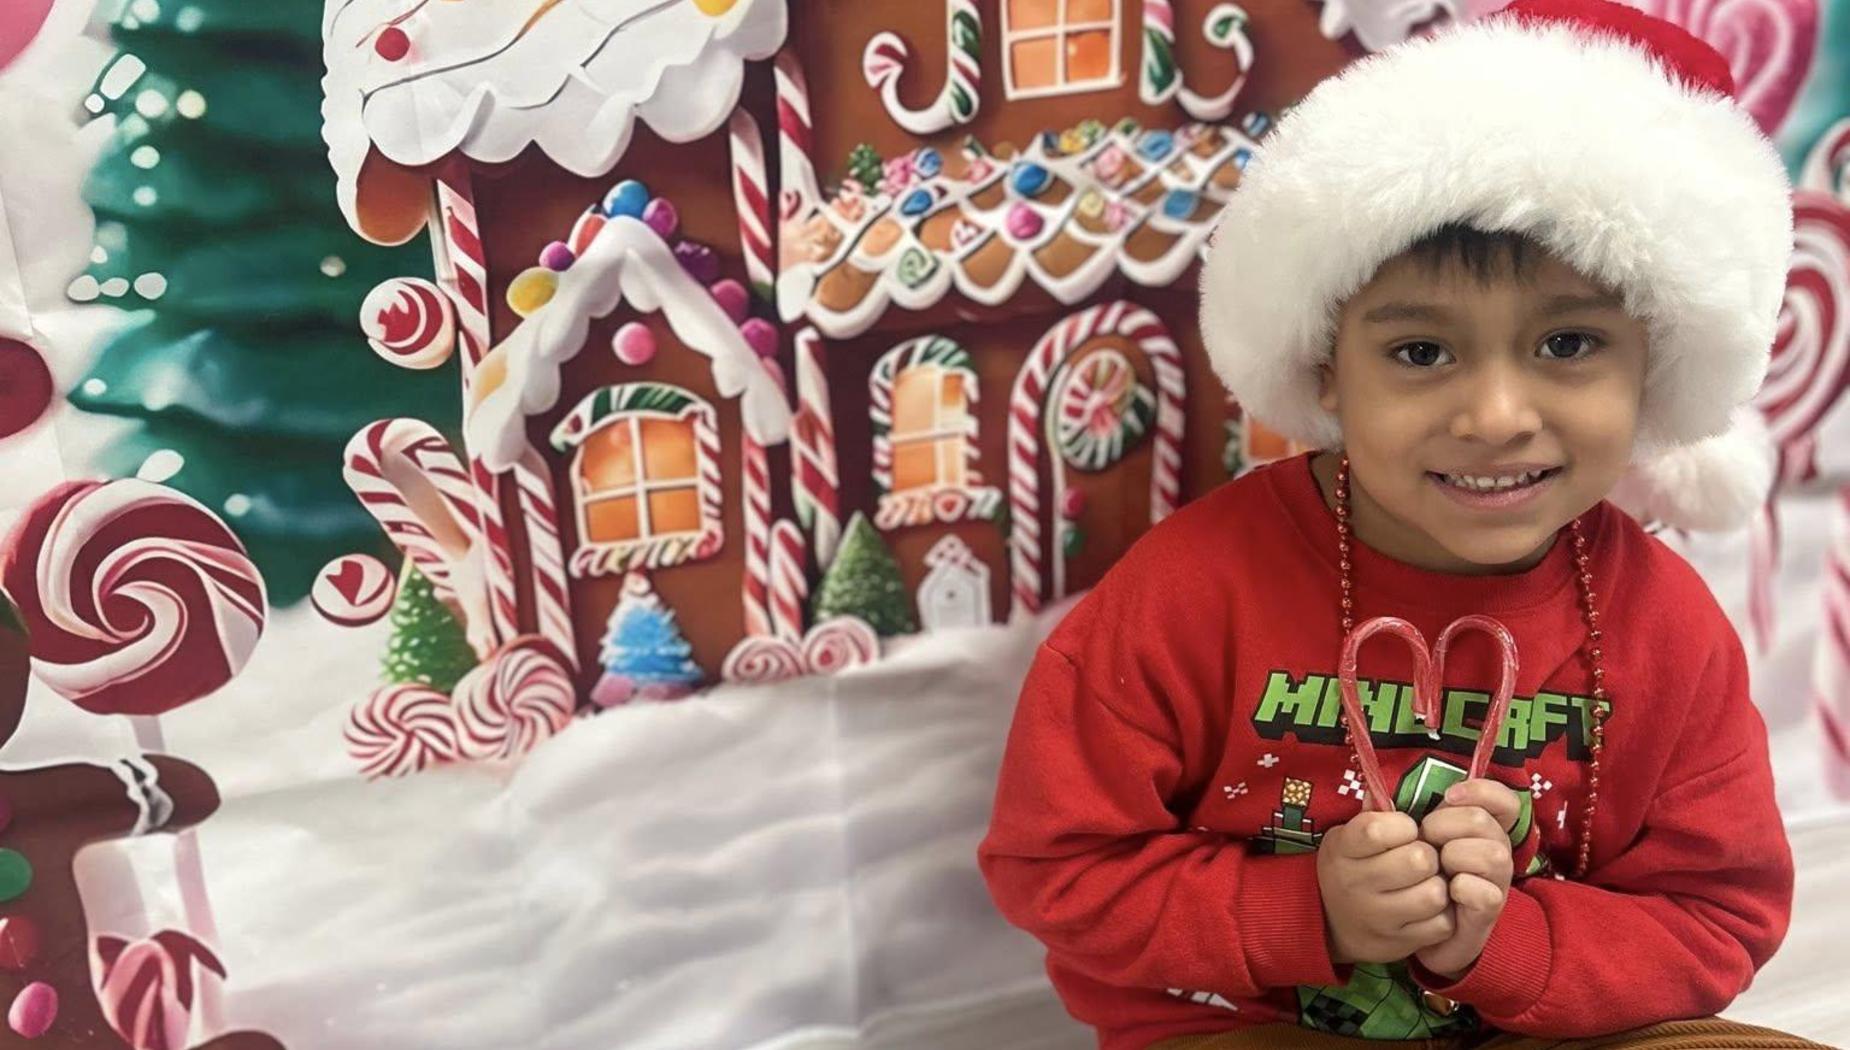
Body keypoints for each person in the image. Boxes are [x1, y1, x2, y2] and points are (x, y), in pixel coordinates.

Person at [977, 2, 1826, 1047]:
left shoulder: (1665, 625)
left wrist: (1502, 946)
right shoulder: (1190, 592)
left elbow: (1714, 918)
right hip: (1241, 1026)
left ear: (1651, 360)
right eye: (1420, 354)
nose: (1495, 418)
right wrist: (1308, 912)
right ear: (1326, 368)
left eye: (1566, 344)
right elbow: (1053, 867)